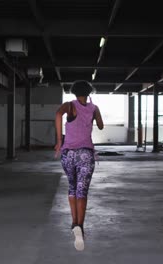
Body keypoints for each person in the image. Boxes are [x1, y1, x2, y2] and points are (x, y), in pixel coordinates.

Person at [54, 80, 104, 251]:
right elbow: (101, 126)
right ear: (89, 92)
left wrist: (60, 141)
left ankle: (74, 223)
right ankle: (80, 227)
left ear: (74, 92)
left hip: (68, 154)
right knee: (82, 191)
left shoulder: (69, 106)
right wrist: (93, 115)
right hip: (85, 154)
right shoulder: (94, 108)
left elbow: (58, 115)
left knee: (72, 188)